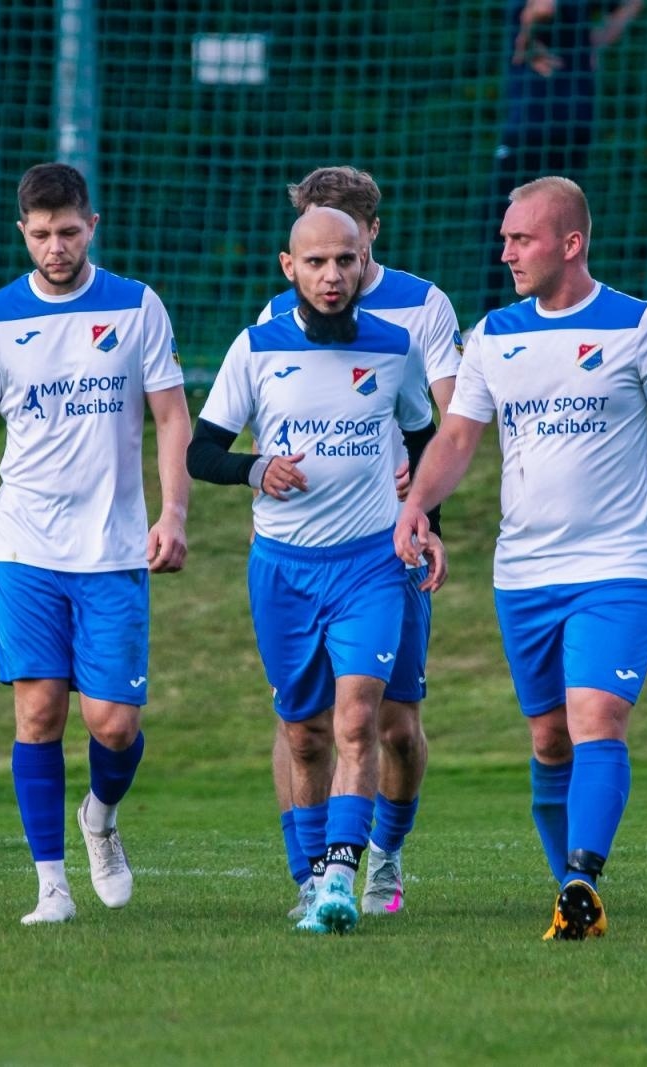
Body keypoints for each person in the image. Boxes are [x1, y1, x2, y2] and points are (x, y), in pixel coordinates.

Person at [399, 176, 647, 940]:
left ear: (571, 243)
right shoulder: (494, 332)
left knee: (599, 718)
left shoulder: (644, 329)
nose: (505, 254)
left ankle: (582, 877)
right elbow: (457, 437)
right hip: (523, 573)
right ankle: (569, 888)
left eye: (520, 239)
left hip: (618, 565)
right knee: (548, 737)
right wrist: (416, 511)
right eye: (504, 239)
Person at [0, 162, 190, 926]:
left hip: (114, 548)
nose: (56, 247)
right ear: (23, 232)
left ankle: (101, 817)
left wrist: (174, 511)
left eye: (69, 232)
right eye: (42, 234)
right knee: (39, 714)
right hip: (23, 548)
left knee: (114, 724)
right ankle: (51, 885)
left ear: (92, 227)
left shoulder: (137, 307)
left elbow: (173, 417)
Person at [189, 207, 443, 935]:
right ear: (288, 267)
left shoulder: (396, 347)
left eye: (346, 260)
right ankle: (306, 877)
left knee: (359, 717)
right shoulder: (256, 348)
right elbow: (200, 452)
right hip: (283, 570)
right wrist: (255, 468)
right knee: (303, 733)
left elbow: (425, 439)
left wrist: (426, 519)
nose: (333, 276)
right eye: (317, 263)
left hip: (370, 563)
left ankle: (343, 873)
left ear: (366, 261)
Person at [257, 166, 462, 920]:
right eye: (313, 244)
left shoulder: (422, 306)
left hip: (390, 542)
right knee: (309, 722)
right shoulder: (280, 312)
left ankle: (389, 856)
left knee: (395, 724)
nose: (330, 261)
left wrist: (424, 496)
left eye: (344, 242)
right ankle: (312, 875)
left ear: (370, 233)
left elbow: (448, 415)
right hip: (303, 555)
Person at [482, 0, 644, 313]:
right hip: (576, 118)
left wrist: (525, 38)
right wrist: (591, 43)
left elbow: (543, 7)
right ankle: (561, 314)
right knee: (560, 225)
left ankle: (493, 322)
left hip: (534, 117)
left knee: (501, 223)